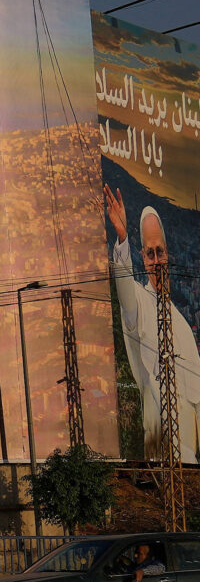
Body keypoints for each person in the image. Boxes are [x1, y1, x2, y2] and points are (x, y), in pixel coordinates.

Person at [106, 185, 200, 459]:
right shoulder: (139, 301)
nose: (156, 261)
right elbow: (124, 291)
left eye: (160, 252)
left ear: (168, 254)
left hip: (191, 455)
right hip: (159, 444)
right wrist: (122, 238)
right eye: (150, 253)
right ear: (143, 256)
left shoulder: (182, 323)